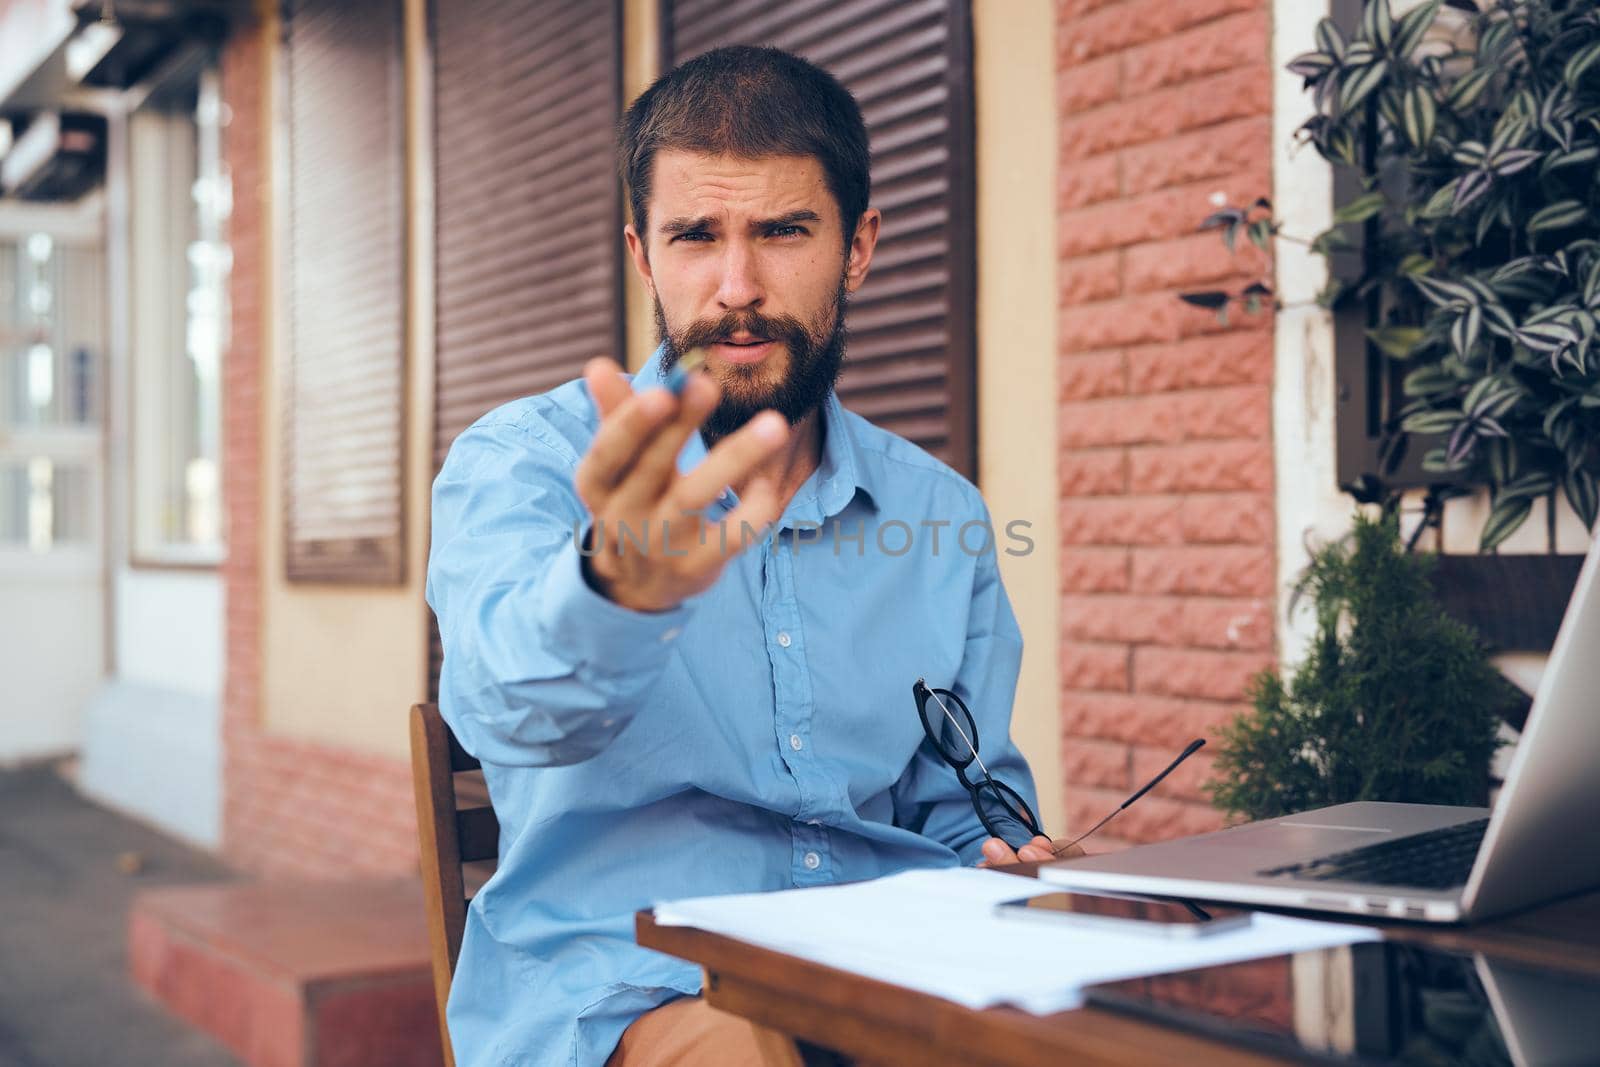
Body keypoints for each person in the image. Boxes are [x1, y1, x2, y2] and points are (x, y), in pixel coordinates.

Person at [426, 45, 1071, 1067]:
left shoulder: (937, 511)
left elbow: (966, 802)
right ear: (643, 256)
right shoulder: (525, 465)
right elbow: (505, 704)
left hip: (888, 972)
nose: (737, 286)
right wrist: (615, 588)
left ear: (856, 248)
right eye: (697, 236)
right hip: (633, 987)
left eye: (781, 230)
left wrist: (1011, 858)